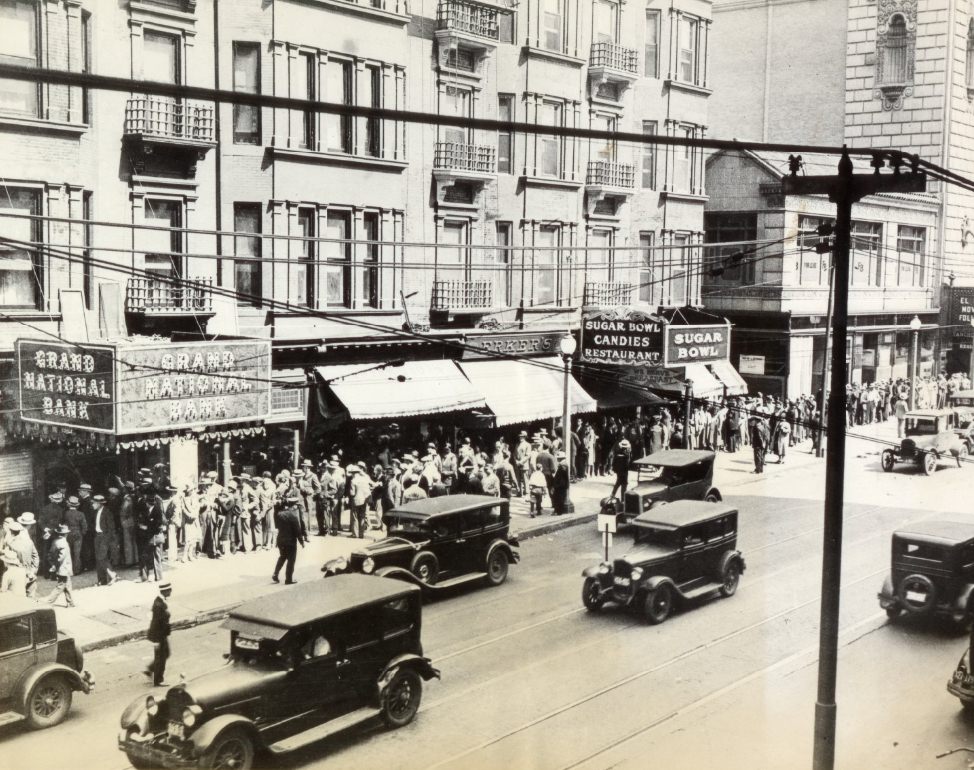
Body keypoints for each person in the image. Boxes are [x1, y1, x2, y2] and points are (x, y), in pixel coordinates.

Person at [272, 492, 307, 585]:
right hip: (290, 542)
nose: (297, 507)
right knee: (291, 560)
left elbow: (277, 526)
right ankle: (288, 579)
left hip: (280, 540)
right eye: (296, 505)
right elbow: (298, 531)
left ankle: (275, 573)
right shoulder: (293, 516)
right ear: (294, 506)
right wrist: (302, 542)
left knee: (282, 557)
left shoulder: (279, 514)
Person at [145, 582, 172, 686]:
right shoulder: (159, 605)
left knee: (164, 655)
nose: (171, 592)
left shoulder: (160, 602)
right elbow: (156, 623)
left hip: (162, 634)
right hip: (159, 636)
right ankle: (158, 680)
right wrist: (156, 641)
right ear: (165, 591)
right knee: (161, 657)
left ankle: (151, 670)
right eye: (170, 590)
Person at [45, 524, 75, 608]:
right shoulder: (64, 543)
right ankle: (49, 602)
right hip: (64, 568)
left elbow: (50, 554)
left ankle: (70, 603)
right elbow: (62, 557)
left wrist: (53, 564)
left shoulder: (55, 541)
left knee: (67, 585)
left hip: (61, 568)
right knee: (61, 586)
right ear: (66, 534)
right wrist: (56, 566)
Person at [91, 494, 118, 586]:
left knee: (101, 557)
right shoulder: (96, 512)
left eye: (94, 503)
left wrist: (108, 540)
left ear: (99, 504)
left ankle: (113, 575)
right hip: (97, 537)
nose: (92, 505)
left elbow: (111, 528)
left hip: (105, 537)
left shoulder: (107, 512)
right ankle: (102, 580)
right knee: (99, 559)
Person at [62, 496, 87, 576]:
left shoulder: (66, 513)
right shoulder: (81, 514)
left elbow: (64, 523)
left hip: (68, 533)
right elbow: (84, 526)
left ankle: (69, 570)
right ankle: (76, 570)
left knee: (69, 552)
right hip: (78, 533)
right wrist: (82, 533)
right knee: (77, 553)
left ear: (69, 505)